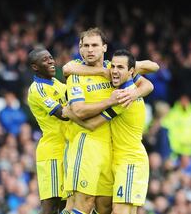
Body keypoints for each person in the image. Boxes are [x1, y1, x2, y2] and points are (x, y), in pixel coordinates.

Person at [62, 28, 156, 214]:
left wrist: (133, 93)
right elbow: (79, 109)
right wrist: (107, 92)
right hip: (86, 143)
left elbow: (152, 72)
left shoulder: (116, 70)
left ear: (104, 47)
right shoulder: (79, 73)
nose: (90, 50)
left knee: (104, 207)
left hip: (116, 154)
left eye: (94, 45)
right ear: (80, 48)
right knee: (83, 203)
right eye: (85, 46)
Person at [27, 48, 72, 214]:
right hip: (51, 152)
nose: (51, 62)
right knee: (50, 206)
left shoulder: (58, 85)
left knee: (65, 205)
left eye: (51, 58)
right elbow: (63, 114)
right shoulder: (36, 89)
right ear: (35, 67)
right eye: (45, 60)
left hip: (66, 150)